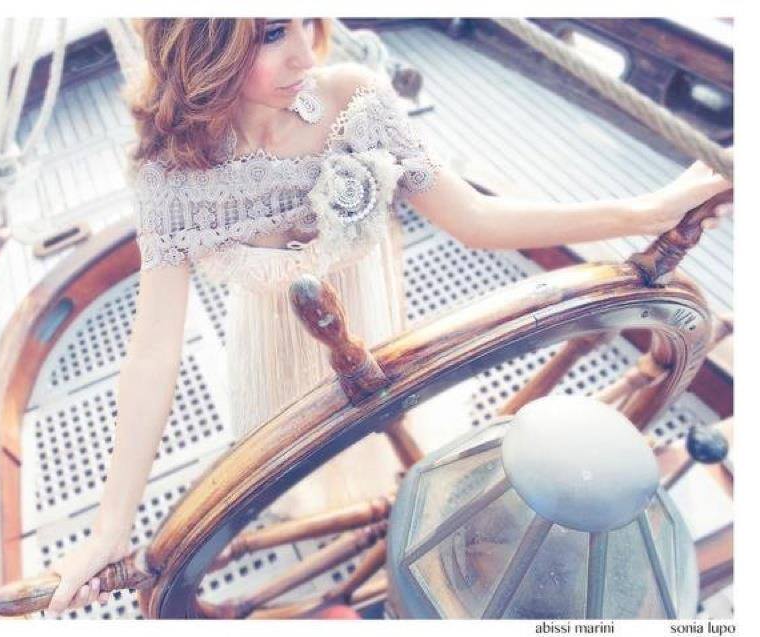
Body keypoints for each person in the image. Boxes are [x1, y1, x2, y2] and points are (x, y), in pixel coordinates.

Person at [46, 18, 731, 616]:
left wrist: (645, 212)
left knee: (385, 426)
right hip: (274, 351)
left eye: (304, 20)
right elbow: (153, 354)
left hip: (370, 318)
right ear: (205, 46)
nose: (305, 55)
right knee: (298, 457)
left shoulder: (353, 99)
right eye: (272, 33)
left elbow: (475, 218)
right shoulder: (171, 176)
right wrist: (111, 528)